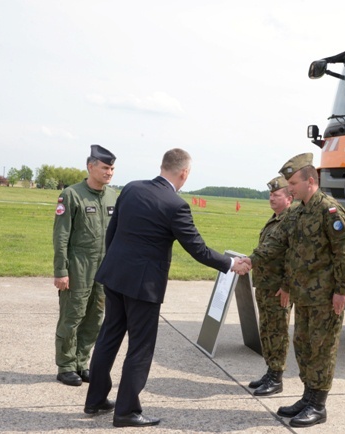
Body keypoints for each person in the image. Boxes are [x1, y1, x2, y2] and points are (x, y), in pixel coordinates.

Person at [83, 148, 250, 428]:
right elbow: (197, 249)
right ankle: (126, 411)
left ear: (163, 166)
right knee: (140, 347)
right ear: (184, 173)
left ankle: (95, 400)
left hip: (114, 276)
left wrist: (113, 266)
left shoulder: (132, 189)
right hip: (143, 286)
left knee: (108, 337)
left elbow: (112, 231)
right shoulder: (176, 205)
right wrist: (231, 263)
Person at [245, 153, 345, 428]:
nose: (289, 187)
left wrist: (342, 290)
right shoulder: (299, 212)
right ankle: (308, 398)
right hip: (303, 295)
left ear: (309, 180)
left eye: (293, 182)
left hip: (324, 297)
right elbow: (280, 245)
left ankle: (318, 406)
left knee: (322, 348)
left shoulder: (329, 210)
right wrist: (251, 260)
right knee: (304, 347)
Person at [53, 144, 117, 387]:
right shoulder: (71, 195)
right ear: (90, 167)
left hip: (104, 268)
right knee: (73, 315)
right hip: (78, 267)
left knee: (95, 317)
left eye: (111, 168)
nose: (109, 172)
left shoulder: (112, 196)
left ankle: (82, 362)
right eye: (104, 167)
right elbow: (61, 236)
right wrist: (61, 271)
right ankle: (66, 365)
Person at [247, 175, 294, 397]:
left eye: (276, 195)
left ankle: (276, 378)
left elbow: (293, 257)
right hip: (266, 286)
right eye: (270, 195)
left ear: (289, 198)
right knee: (266, 330)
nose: (271, 198)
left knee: (278, 332)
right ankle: (270, 371)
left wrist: (287, 286)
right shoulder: (275, 218)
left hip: (278, 289)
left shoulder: (290, 220)